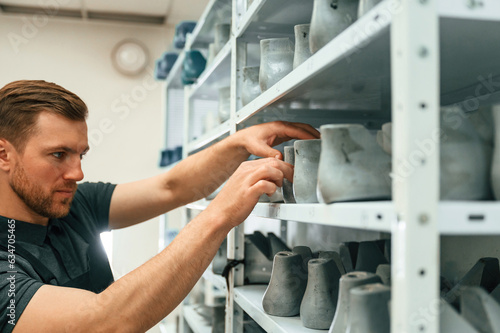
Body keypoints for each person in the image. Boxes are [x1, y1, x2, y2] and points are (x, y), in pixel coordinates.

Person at [0, 80, 319, 332]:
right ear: (4, 154)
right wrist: (220, 215)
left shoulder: (72, 203)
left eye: (80, 155)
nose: (77, 173)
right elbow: (102, 323)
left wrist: (239, 143)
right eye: (58, 155)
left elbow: (171, 187)